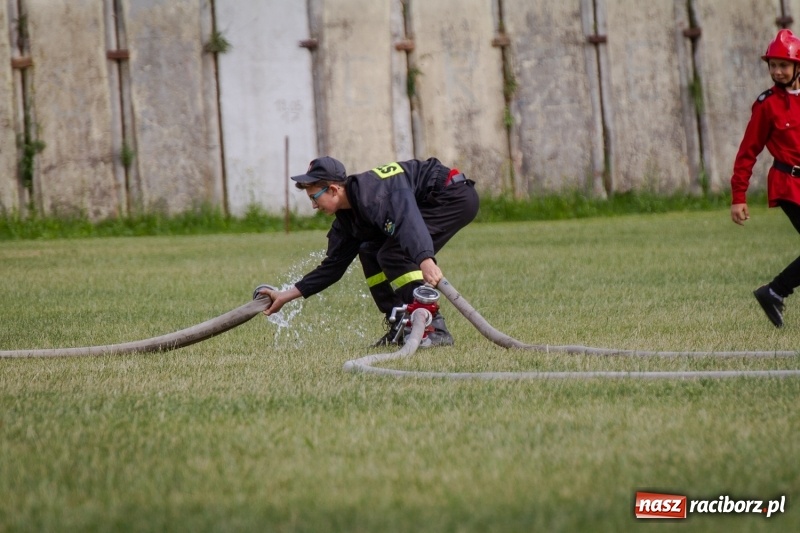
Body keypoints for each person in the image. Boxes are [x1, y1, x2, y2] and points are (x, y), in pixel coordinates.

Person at [258, 156, 479, 346]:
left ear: (333, 189)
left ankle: (433, 329)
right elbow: (332, 267)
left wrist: (425, 259)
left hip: (451, 196)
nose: (314, 206)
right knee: (369, 250)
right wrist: (285, 295)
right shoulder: (350, 217)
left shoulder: (374, 195)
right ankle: (400, 324)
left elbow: (408, 221)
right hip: (430, 202)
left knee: (394, 254)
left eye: (314, 197)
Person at [731, 28, 800, 327]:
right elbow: (747, 152)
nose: (777, 71)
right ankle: (775, 290)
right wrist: (738, 196)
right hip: (788, 185)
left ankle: (773, 292)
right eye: (773, 65)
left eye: (783, 65)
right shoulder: (766, 105)